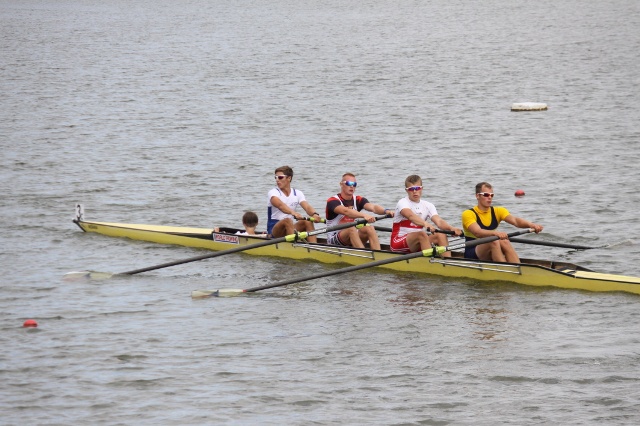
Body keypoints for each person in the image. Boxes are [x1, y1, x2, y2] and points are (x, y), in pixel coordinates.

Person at [462, 182, 543, 262]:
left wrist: (531, 225)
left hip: (491, 247)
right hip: (472, 252)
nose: (489, 197)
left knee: (504, 240)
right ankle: (505, 268)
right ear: (477, 196)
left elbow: (515, 221)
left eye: (491, 195)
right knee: (493, 240)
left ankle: (517, 266)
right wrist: (495, 233)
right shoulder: (468, 214)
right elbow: (477, 232)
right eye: (486, 195)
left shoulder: (498, 211)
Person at [390, 175, 462, 257]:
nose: (415, 191)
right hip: (398, 243)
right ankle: (429, 261)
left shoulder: (428, 205)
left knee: (441, 234)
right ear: (406, 190)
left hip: (418, 243)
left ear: (422, 188)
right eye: (411, 189)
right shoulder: (402, 203)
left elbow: (439, 221)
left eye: (417, 188)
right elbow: (410, 216)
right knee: (422, 234)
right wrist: (425, 224)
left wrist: (451, 228)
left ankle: (447, 261)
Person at [325, 173, 394, 250]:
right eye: (349, 183)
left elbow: (373, 207)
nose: (352, 186)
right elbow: (346, 211)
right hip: (334, 240)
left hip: (352, 237)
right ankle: (363, 254)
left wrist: (386, 211)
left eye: (354, 184)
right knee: (351, 229)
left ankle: (377, 253)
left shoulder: (358, 199)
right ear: (341, 184)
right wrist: (364, 215)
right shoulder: (332, 201)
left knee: (370, 228)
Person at [267, 166, 322, 242]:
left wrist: (315, 214)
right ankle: (294, 245)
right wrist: (293, 213)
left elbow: (307, 207)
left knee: (308, 221)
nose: (277, 180)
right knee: (287, 220)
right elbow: (280, 205)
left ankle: (313, 245)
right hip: (274, 230)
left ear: (289, 178)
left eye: (280, 177)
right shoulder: (273, 192)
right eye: (275, 177)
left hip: (289, 227)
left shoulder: (297, 193)